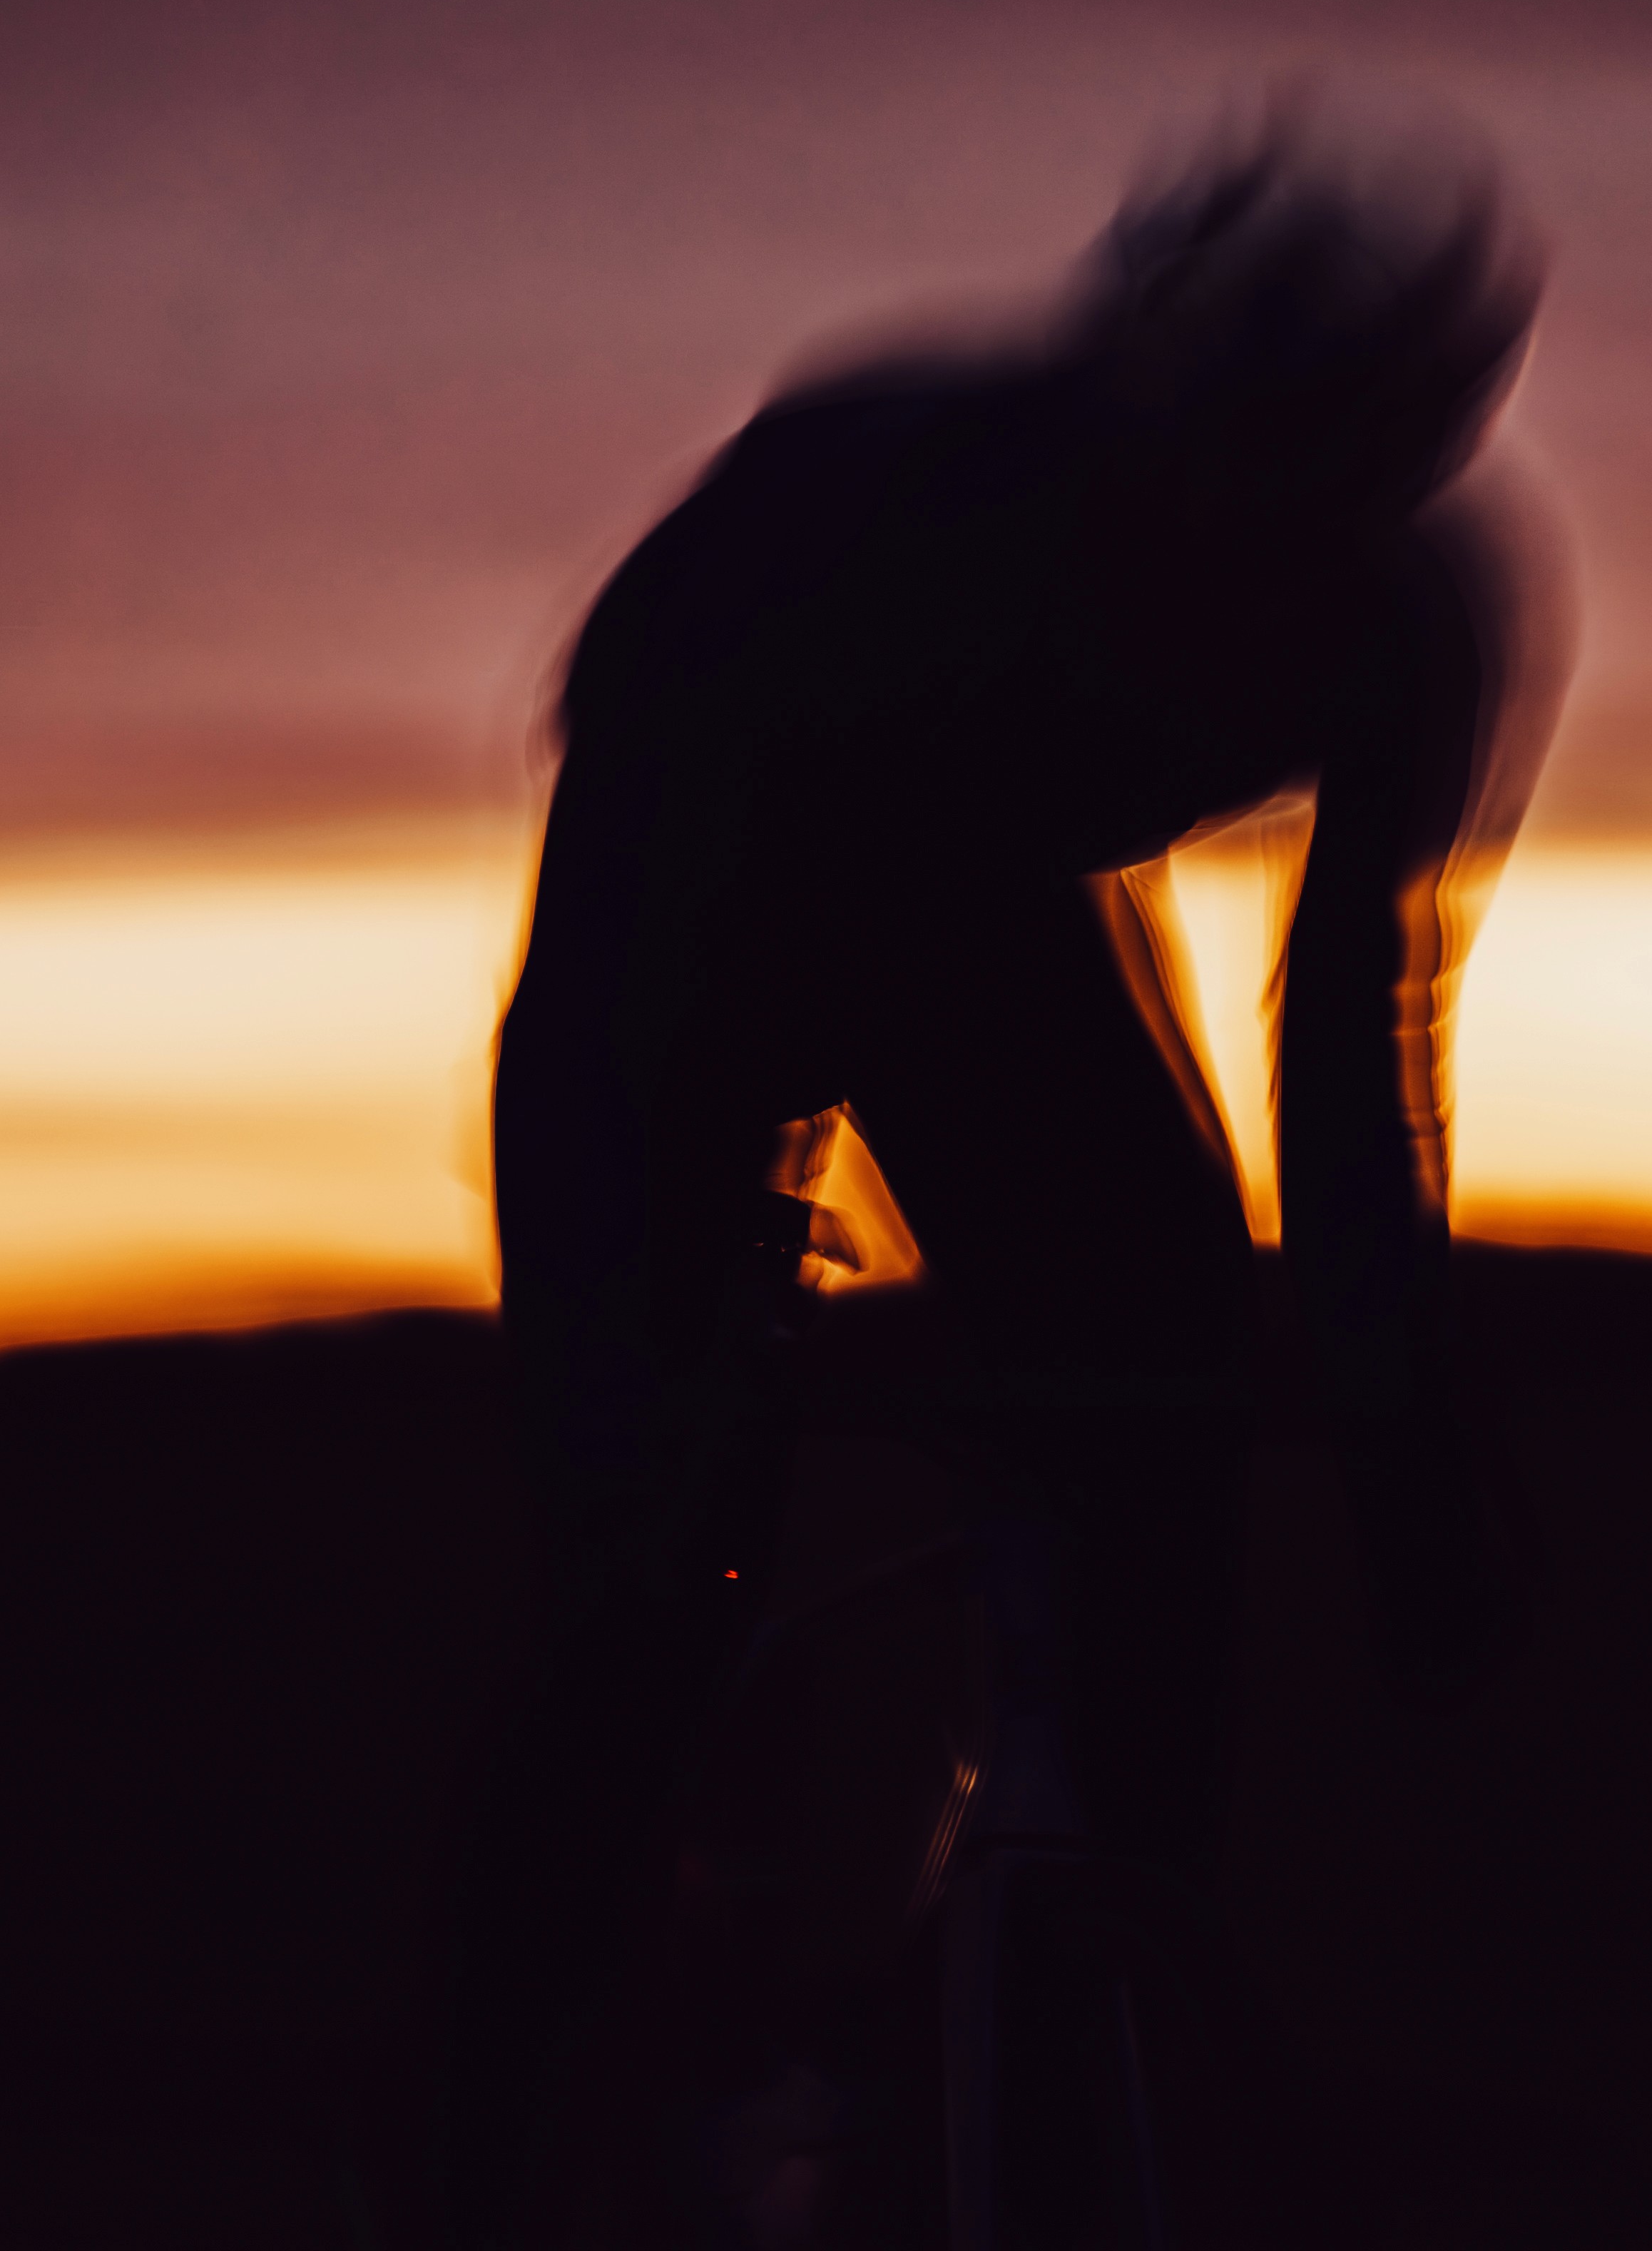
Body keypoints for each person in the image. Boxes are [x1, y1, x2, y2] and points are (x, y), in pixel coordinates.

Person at [447, 111, 1554, 2246]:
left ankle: (1071, 1997)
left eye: (1341, 470)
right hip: (687, 885)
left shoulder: (1412, 625)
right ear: (1133, 391)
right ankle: (485, 2149)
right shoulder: (879, 510)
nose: (1261, 528)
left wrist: (1407, 1439)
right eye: (1235, 457)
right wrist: (683, 1346)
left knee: (1157, 1409)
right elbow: (638, 962)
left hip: (971, 913)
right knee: (651, 1559)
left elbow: (1351, 1050)